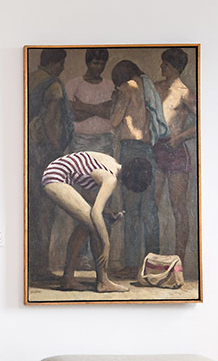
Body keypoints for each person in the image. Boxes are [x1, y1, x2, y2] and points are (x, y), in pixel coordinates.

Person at [41, 151, 153, 293]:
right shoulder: (111, 178)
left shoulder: (111, 162)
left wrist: (106, 211)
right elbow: (95, 213)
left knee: (88, 224)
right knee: (94, 225)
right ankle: (103, 282)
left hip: (54, 172)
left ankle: (68, 279)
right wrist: (106, 244)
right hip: (55, 177)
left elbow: (86, 193)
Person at [108, 60, 165, 275]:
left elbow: (115, 121)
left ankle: (132, 265)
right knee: (149, 209)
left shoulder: (126, 88)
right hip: (147, 149)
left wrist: (114, 101)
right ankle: (153, 263)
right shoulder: (147, 86)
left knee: (132, 210)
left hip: (131, 149)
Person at [27, 49, 73, 281]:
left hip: (29, 149)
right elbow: (49, 122)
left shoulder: (30, 78)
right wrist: (58, 150)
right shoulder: (53, 86)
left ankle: (31, 264)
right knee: (45, 209)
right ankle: (42, 266)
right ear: (54, 63)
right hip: (45, 150)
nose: (63, 68)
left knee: (32, 208)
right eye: (61, 63)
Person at [153, 48, 199, 266]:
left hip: (176, 151)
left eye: (165, 64)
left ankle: (178, 261)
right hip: (155, 149)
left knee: (178, 207)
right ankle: (151, 259)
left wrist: (180, 137)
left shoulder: (185, 92)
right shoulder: (156, 88)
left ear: (174, 67)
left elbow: (204, 121)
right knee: (152, 205)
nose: (162, 67)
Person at [64, 48, 115, 156]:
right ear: (87, 63)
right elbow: (74, 115)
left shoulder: (110, 85)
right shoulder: (73, 84)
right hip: (80, 140)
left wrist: (82, 106)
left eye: (102, 64)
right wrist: (101, 108)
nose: (99, 67)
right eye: (95, 63)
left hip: (105, 140)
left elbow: (111, 113)